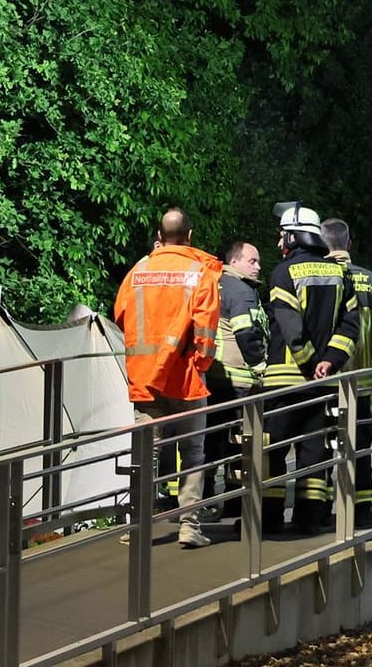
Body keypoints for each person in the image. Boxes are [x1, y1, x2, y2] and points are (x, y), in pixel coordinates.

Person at [113, 207, 222, 548]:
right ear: (189, 236)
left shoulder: (138, 271)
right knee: (193, 454)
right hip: (187, 381)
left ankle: (138, 528)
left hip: (145, 379)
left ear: (160, 237)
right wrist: (200, 365)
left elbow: (120, 316)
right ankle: (189, 527)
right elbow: (206, 331)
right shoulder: (200, 273)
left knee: (146, 456)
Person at [259, 203, 360, 535]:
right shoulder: (340, 273)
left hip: (285, 383)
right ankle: (310, 519)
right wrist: (330, 362)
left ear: (293, 237)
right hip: (325, 383)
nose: (279, 245)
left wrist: (310, 362)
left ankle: (269, 521)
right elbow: (350, 326)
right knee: (314, 453)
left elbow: (290, 329)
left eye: (282, 237)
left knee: (271, 453)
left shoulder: (283, 273)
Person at [322, 217, 372, 529]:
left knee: (320, 446)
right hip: (360, 380)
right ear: (348, 244)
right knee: (360, 447)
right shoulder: (369, 280)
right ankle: (361, 508)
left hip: (325, 379)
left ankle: (319, 510)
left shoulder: (319, 275)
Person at [203, 240, 268, 520]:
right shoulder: (241, 291)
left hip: (210, 377)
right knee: (239, 445)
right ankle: (235, 504)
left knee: (208, 444)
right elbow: (245, 334)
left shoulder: (211, 283)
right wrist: (261, 368)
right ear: (235, 261)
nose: (258, 267)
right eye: (252, 261)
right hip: (238, 382)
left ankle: (203, 500)